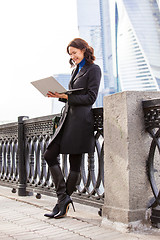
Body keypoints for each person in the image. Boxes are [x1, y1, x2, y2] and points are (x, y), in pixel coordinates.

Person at [44, 38, 101, 219]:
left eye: (75, 53)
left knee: (75, 163)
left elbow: (90, 98)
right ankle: (63, 199)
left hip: (81, 123)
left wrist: (65, 97)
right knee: (49, 154)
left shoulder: (94, 69)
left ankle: (61, 203)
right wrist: (58, 96)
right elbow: (72, 96)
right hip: (68, 120)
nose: (73, 56)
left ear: (84, 50)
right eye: (70, 54)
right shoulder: (76, 70)